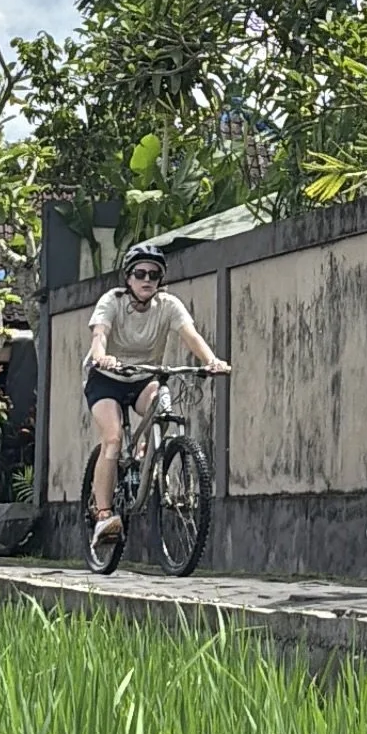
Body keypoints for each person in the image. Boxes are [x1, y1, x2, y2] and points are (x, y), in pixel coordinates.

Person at [84, 243, 229, 568]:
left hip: (144, 378)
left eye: (154, 275)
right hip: (106, 378)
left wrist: (212, 361)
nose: (147, 280)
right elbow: (99, 336)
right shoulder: (112, 302)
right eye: (140, 274)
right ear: (128, 278)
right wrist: (102, 356)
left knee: (162, 406)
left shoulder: (168, 305)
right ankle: (104, 514)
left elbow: (190, 335)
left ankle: (151, 454)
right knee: (112, 439)